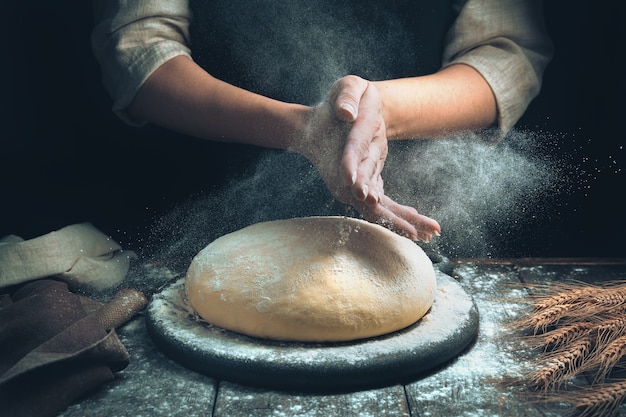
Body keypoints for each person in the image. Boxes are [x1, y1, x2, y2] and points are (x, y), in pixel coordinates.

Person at [91, 0, 553, 243]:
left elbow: (504, 52)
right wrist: (303, 129)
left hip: (407, 226)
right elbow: (140, 54)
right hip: (201, 216)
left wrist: (381, 109)